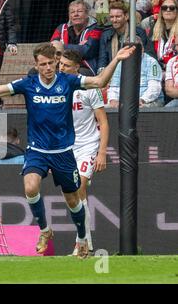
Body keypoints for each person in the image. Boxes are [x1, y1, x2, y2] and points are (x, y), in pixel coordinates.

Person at [0, 42, 135, 259]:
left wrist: (116, 59)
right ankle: (45, 230)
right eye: (43, 64)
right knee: (30, 187)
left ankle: (83, 238)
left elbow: (100, 81)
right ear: (36, 65)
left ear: (56, 63)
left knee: (73, 199)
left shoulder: (69, 81)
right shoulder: (27, 84)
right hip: (37, 150)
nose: (48, 68)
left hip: (64, 151)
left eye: (51, 63)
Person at [58, 49, 109, 256]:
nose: (61, 68)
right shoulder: (55, 87)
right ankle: (87, 243)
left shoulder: (88, 87)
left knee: (79, 187)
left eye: (66, 65)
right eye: (60, 64)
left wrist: (102, 152)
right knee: (74, 195)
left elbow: (103, 122)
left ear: (76, 68)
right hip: (66, 147)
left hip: (87, 145)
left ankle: (81, 243)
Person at [107, 37, 164, 108]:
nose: (131, 52)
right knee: (103, 108)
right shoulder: (120, 63)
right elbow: (114, 87)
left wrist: (141, 100)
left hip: (149, 101)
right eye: (129, 50)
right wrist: (113, 101)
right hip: (126, 102)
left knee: (139, 108)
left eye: (134, 49)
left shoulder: (152, 62)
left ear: (142, 49)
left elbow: (154, 88)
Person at [51, 0, 102, 75]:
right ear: (69, 15)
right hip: (62, 65)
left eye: (79, 11)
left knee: (69, 74)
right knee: (36, 71)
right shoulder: (61, 28)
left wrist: (62, 46)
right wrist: (79, 47)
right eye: (72, 12)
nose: (76, 14)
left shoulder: (96, 28)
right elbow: (53, 48)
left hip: (85, 67)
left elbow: (88, 51)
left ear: (87, 14)